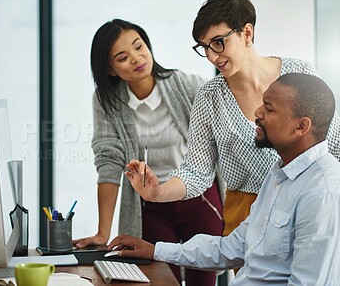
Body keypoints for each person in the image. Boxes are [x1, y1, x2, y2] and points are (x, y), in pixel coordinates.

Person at [123, 0, 340, 240]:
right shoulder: (209, 97)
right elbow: (197, 171)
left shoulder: (299, 73)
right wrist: (158, 193)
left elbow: (333, 144)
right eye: (204, 47)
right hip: (246, 215)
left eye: (218, 42)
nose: (212, 57)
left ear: (247, 33)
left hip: (309, 203)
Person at [110, 73, 340, 285]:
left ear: (302, 126)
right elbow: (233, 247)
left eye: (268, 109)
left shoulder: (322, 191)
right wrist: (156, 251)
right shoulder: (279, 174)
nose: (257, 113)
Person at [72, 19, 224, 286]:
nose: (136, 58)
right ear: (110, 69)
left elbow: (224, 142)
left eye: (139, 47)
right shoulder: (106, 101)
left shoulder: (189, 86)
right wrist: (102, 231)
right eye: (122, 57)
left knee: (204, 280)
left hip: (200, 200)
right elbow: (108, 160)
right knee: (158, 280)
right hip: (151, 207)